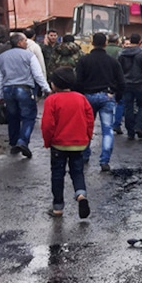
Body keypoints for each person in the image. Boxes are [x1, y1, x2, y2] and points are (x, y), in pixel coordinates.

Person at [41, 67, 94, 218]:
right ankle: (81, 195)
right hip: (79, 143)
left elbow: (47, 125)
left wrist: (48, 141)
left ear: (55, 84)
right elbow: (89, 120)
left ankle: (58, 207)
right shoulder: (81, 98)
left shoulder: (52, 100)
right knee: (77, 171)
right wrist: (87, 137)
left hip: (59, 144)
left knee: (57, 174)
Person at [0, 32, 52, 158]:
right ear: (19, 42)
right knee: (29, 117)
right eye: (25, 41)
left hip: (8, 90)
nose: (27, 43)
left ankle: (13, 143)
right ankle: (23, 141)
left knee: (12, 117)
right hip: (24, 89)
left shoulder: (1, 57)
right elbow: (38, 74)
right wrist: (46, 89)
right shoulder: (29, 56)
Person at [75, 32, 126, 172]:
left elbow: (78, 81)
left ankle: (85, 154)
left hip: (88, 97)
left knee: (86, 128)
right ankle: (105, 161)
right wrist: (116, 96)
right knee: (107, 130)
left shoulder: (84, 60)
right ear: (105, 43)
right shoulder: (113, 62)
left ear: (92, 43)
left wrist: (80, 95)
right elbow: (121, 82)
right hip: (106, 96)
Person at [117, 33, 142, 140]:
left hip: (126, 84)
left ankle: (130, 132)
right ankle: (138, 126)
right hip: (140, 84)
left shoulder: (121, 54)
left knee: (128, 107)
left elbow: (118, 71)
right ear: (139, 42)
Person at [24, 28, 48, 97]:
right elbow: (41, 63)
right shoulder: (35, 46)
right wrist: (44, 80)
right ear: (34, 36)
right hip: (33, 77)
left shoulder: (17, 46)